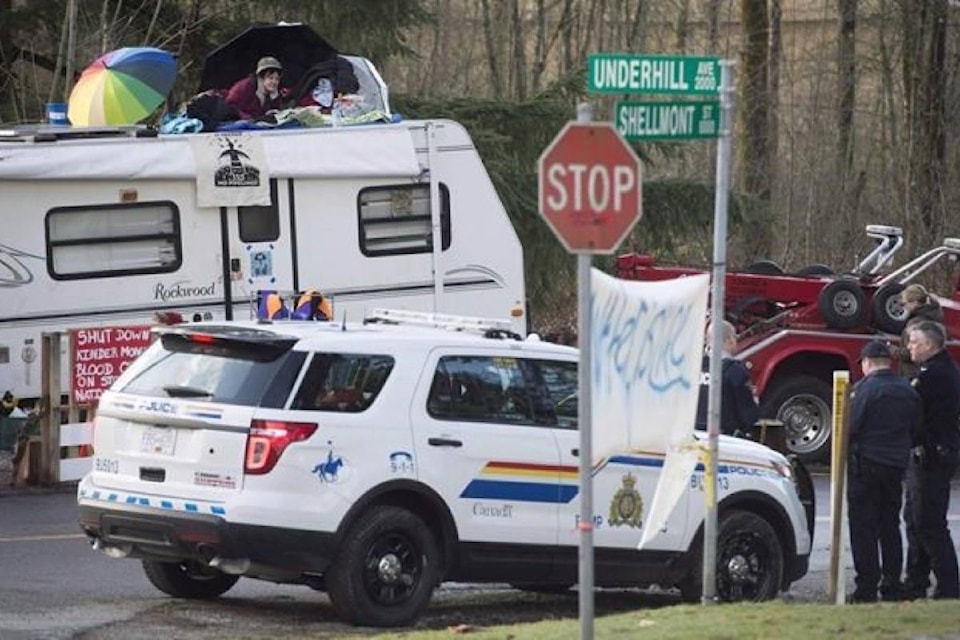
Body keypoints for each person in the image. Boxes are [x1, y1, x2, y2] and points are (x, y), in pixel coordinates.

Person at [845, 339, 920, 603]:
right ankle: (891, 584)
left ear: (866, 363)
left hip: (866, 464)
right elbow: (916, 429)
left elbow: (851, 427)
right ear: (890, 362)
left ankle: (866, 587)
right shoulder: (908, 390)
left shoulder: (864, 390)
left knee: (863, 528)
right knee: (889, 525)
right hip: (895, 466)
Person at [903, 320, 960, 599]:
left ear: (928, 345)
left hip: (931, 456)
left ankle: (949, 586)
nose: (909, 347)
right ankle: (916, 580)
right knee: (915, 520)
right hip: (926, 454)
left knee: (928, 523)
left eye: (913, 342)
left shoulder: (933, 375)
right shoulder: (937, 369)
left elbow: (914, 409)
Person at [696, 320, 759, 437]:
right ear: (729, 340)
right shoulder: (735, 371)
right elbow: (748, 414)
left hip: (694, 435)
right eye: (735, 338)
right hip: (724, 438)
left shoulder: (695, 367)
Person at [898, 284, 944, 378]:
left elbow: (911, 353)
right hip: (931, 371)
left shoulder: (915, 324)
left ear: (914, 302)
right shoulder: (936, 317)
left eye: (904, 304)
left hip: (913, 373)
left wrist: (892, 351)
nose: (903, 307)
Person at [225, 56, 285, 120]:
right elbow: (230, 107)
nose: (274, 82)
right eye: (270, 78)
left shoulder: (275, 94)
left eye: (277, 79)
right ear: (260, 77)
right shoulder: (243, 87)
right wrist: (248, 118)